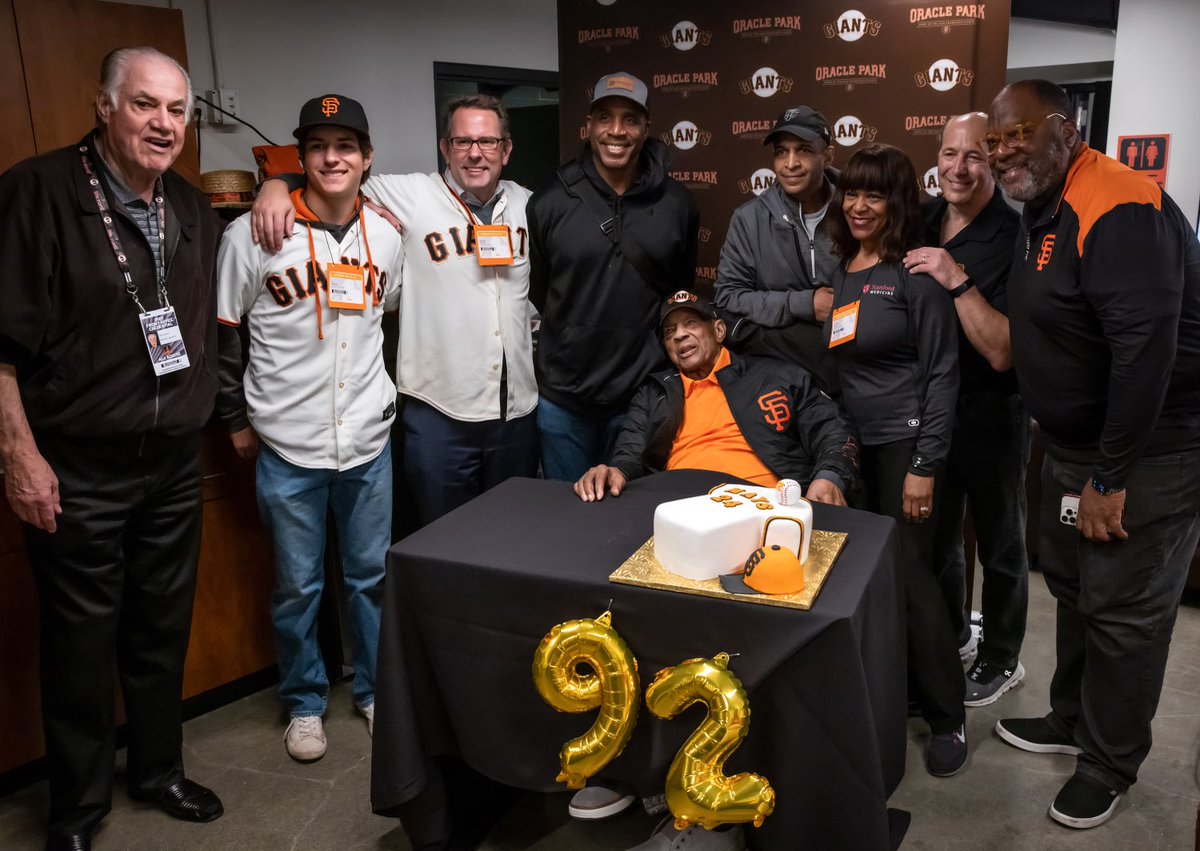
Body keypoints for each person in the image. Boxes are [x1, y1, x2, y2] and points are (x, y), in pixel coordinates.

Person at [0, 47, 224, 851]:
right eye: (144, 105)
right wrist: (19, 456)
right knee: (78, 643)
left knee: (161, 630)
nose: (163, 124)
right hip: (77, 465)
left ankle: (158, 768)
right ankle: (76, 808)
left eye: (176, 110)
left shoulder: (192, 209)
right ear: (104, 106)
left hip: (168, 463)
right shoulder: (38, 192)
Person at [987, 79, 1200, 829]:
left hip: (1145, 456)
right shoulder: (1039, 203)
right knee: (1075, 593)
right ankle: (1072, 719)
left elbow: (1146, 356)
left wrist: (1111, 475)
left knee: (1125, 615)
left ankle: (1109, 761)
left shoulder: (1117, 203)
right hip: (1076, 449)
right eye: (995, 140)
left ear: (1067, 129)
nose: (1004, 150)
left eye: (1019, 134)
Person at [217, 95, 403, 762]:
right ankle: (304, 701)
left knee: (370, 579)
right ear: (300, 157)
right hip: (289, 448)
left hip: (367, 443)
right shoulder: (252, 234)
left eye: (346, 145)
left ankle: (379, 692)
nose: (332, 157)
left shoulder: (386, 234)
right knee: (298, 586)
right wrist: (235, 418)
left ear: (367, 157)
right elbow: (225, 336)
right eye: (318, 146)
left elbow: (391, 320)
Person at [251, 95, 538, 526]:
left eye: (487, 142)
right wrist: (277, 184)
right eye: (461, 141)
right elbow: (333, 174)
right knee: (443, 541)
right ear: (444, 148)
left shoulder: (529, 206)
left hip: (515, 412)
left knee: (513, 533)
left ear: (507, 150)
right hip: (439, 414)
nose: (475, 153)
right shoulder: (409, 193)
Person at [824, 144, 966, 778]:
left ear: (897, 201)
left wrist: (925, 463)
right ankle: (903, 690)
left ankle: (948, 716)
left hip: (907, 445)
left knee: (912, 576)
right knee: (876, 581)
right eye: (851, 192)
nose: (859, 205)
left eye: (874, 194)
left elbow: (942, 374)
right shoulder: (845, 270)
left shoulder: (915, 272)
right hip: (860, 447)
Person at [902, 113, 1029, 706]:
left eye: (974, 156)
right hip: (932, 412)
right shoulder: (921, 217)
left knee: (1001, 541)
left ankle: (1003, 655)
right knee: (941, 538)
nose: (958, 168)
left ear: (994, 161)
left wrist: (956, 279)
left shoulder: (1014, 234)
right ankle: (953, 634)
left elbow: (1004, 350)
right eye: (949, 154)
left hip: (991, 413)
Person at [529, 72, 699, 483]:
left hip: (641, 399)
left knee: (633, 528)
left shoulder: (677, 204)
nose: (617, 131)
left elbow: (680, 292)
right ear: (589, 126)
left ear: (646, 128)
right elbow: (541, 287)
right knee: (567, 521)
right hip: (564, 399)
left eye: (630, 119)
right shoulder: (550, 200)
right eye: (605, 118)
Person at [576, 290, 857, 506]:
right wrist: (614, 471)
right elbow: (629, 455)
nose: (679, 335)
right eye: (669, 332)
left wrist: (829, 476)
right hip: (682, 509)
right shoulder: (653, 393)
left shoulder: (776, 376)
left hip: (765, 508)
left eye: (691, 324)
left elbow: (833, 429)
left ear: (719, 330)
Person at [713, 105, 840, 392]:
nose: (790, 163)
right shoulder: (749, 219)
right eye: (782, 152)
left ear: (828, 156)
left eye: (804, 150)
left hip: (849, 365)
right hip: (779, 372)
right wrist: (805, 304)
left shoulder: (856, 211)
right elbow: (728, 297)